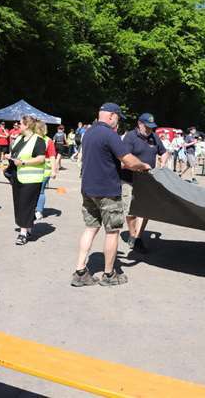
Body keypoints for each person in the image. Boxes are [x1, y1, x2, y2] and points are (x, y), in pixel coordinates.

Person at [72, 103, 151, 287]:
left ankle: (80, 271)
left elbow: (104, 158)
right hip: (107, 190)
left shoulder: (88, 132)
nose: (118, 122)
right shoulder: (109, 134)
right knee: (112, 231)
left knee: (90, 228)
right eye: (118, 118)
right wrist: (143, 165)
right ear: (111, 116)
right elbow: (128, 160)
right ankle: (109, 274)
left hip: (88, 189)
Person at [121, 113, 168, 253]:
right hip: (129, 179)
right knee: (130, 211)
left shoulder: (154, 137)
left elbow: (164, 152)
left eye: (151, 127)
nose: (149, 130)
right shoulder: (130, 137)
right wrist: (140, 166)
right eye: (147, 127)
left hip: (147, 181)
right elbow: (123, 161)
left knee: (146, 210)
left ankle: (138, 238)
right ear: (139, 124)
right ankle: (132, 234)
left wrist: (163, 163)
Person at [6, 115, 47, 245]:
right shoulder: (19, 138)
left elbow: (41, 158)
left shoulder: (38, 140)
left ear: (27, 125)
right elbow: (15, 154)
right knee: (19, 204)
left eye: (20, 124)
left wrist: (23, 162)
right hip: (17, 176)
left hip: (32, 179)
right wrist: (10, 158)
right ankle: (28, 228)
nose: (18, 126)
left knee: (25, 205)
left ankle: (23, 233)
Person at [34, 120, 58, 220]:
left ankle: (38, 210)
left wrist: (54, 170)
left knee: (40, 191)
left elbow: (52, 156)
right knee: (38, 191)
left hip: (43, 170)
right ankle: (36, 210)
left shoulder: (47, 140)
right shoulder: (34, 139)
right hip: (35, 170)